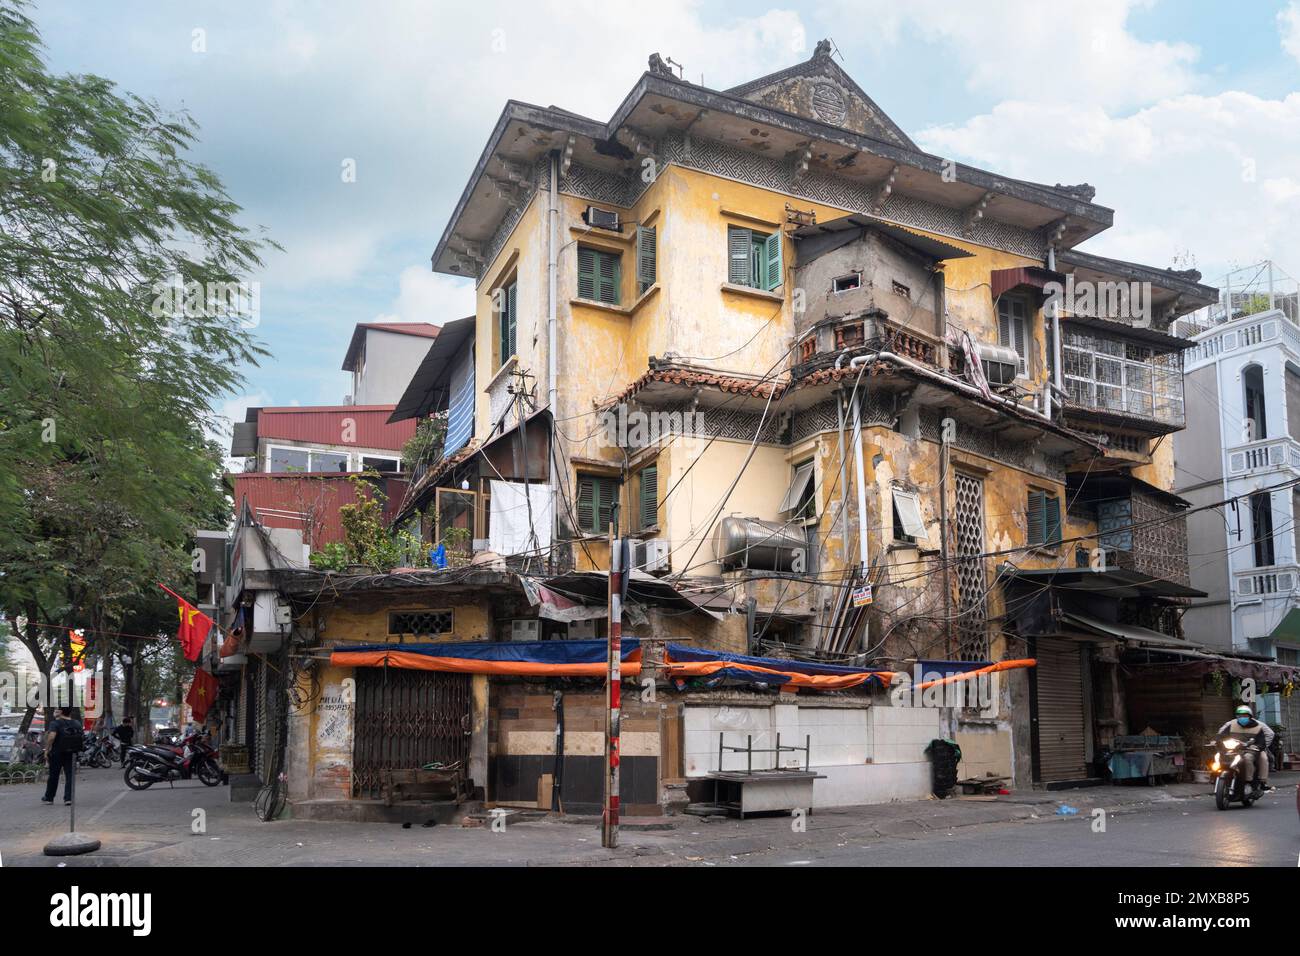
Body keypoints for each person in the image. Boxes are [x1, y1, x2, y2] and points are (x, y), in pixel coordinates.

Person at [1216, 704, 1276, 792]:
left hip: (1252, 749)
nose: (1242, 717)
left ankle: (1256, 781)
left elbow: (1269, 735)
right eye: (1240, 715)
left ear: (1250, 716)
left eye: (1245, 715)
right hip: (1235, 748)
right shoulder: (1231, 724)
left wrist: (1260, 746)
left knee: (1259, 758)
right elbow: (1221, 734)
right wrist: (1218, 742)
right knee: (1219, 756)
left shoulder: (1258, 726)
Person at [42, 708, 82, 806]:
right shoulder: (77, 723)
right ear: (70, 712)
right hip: (72, 752)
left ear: (61, 712)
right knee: (70, 776)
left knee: (54, 776)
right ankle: (68, 799)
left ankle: (49, 798)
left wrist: (47, 750)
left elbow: (51, 737)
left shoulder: (56, 723)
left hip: (57, 753)